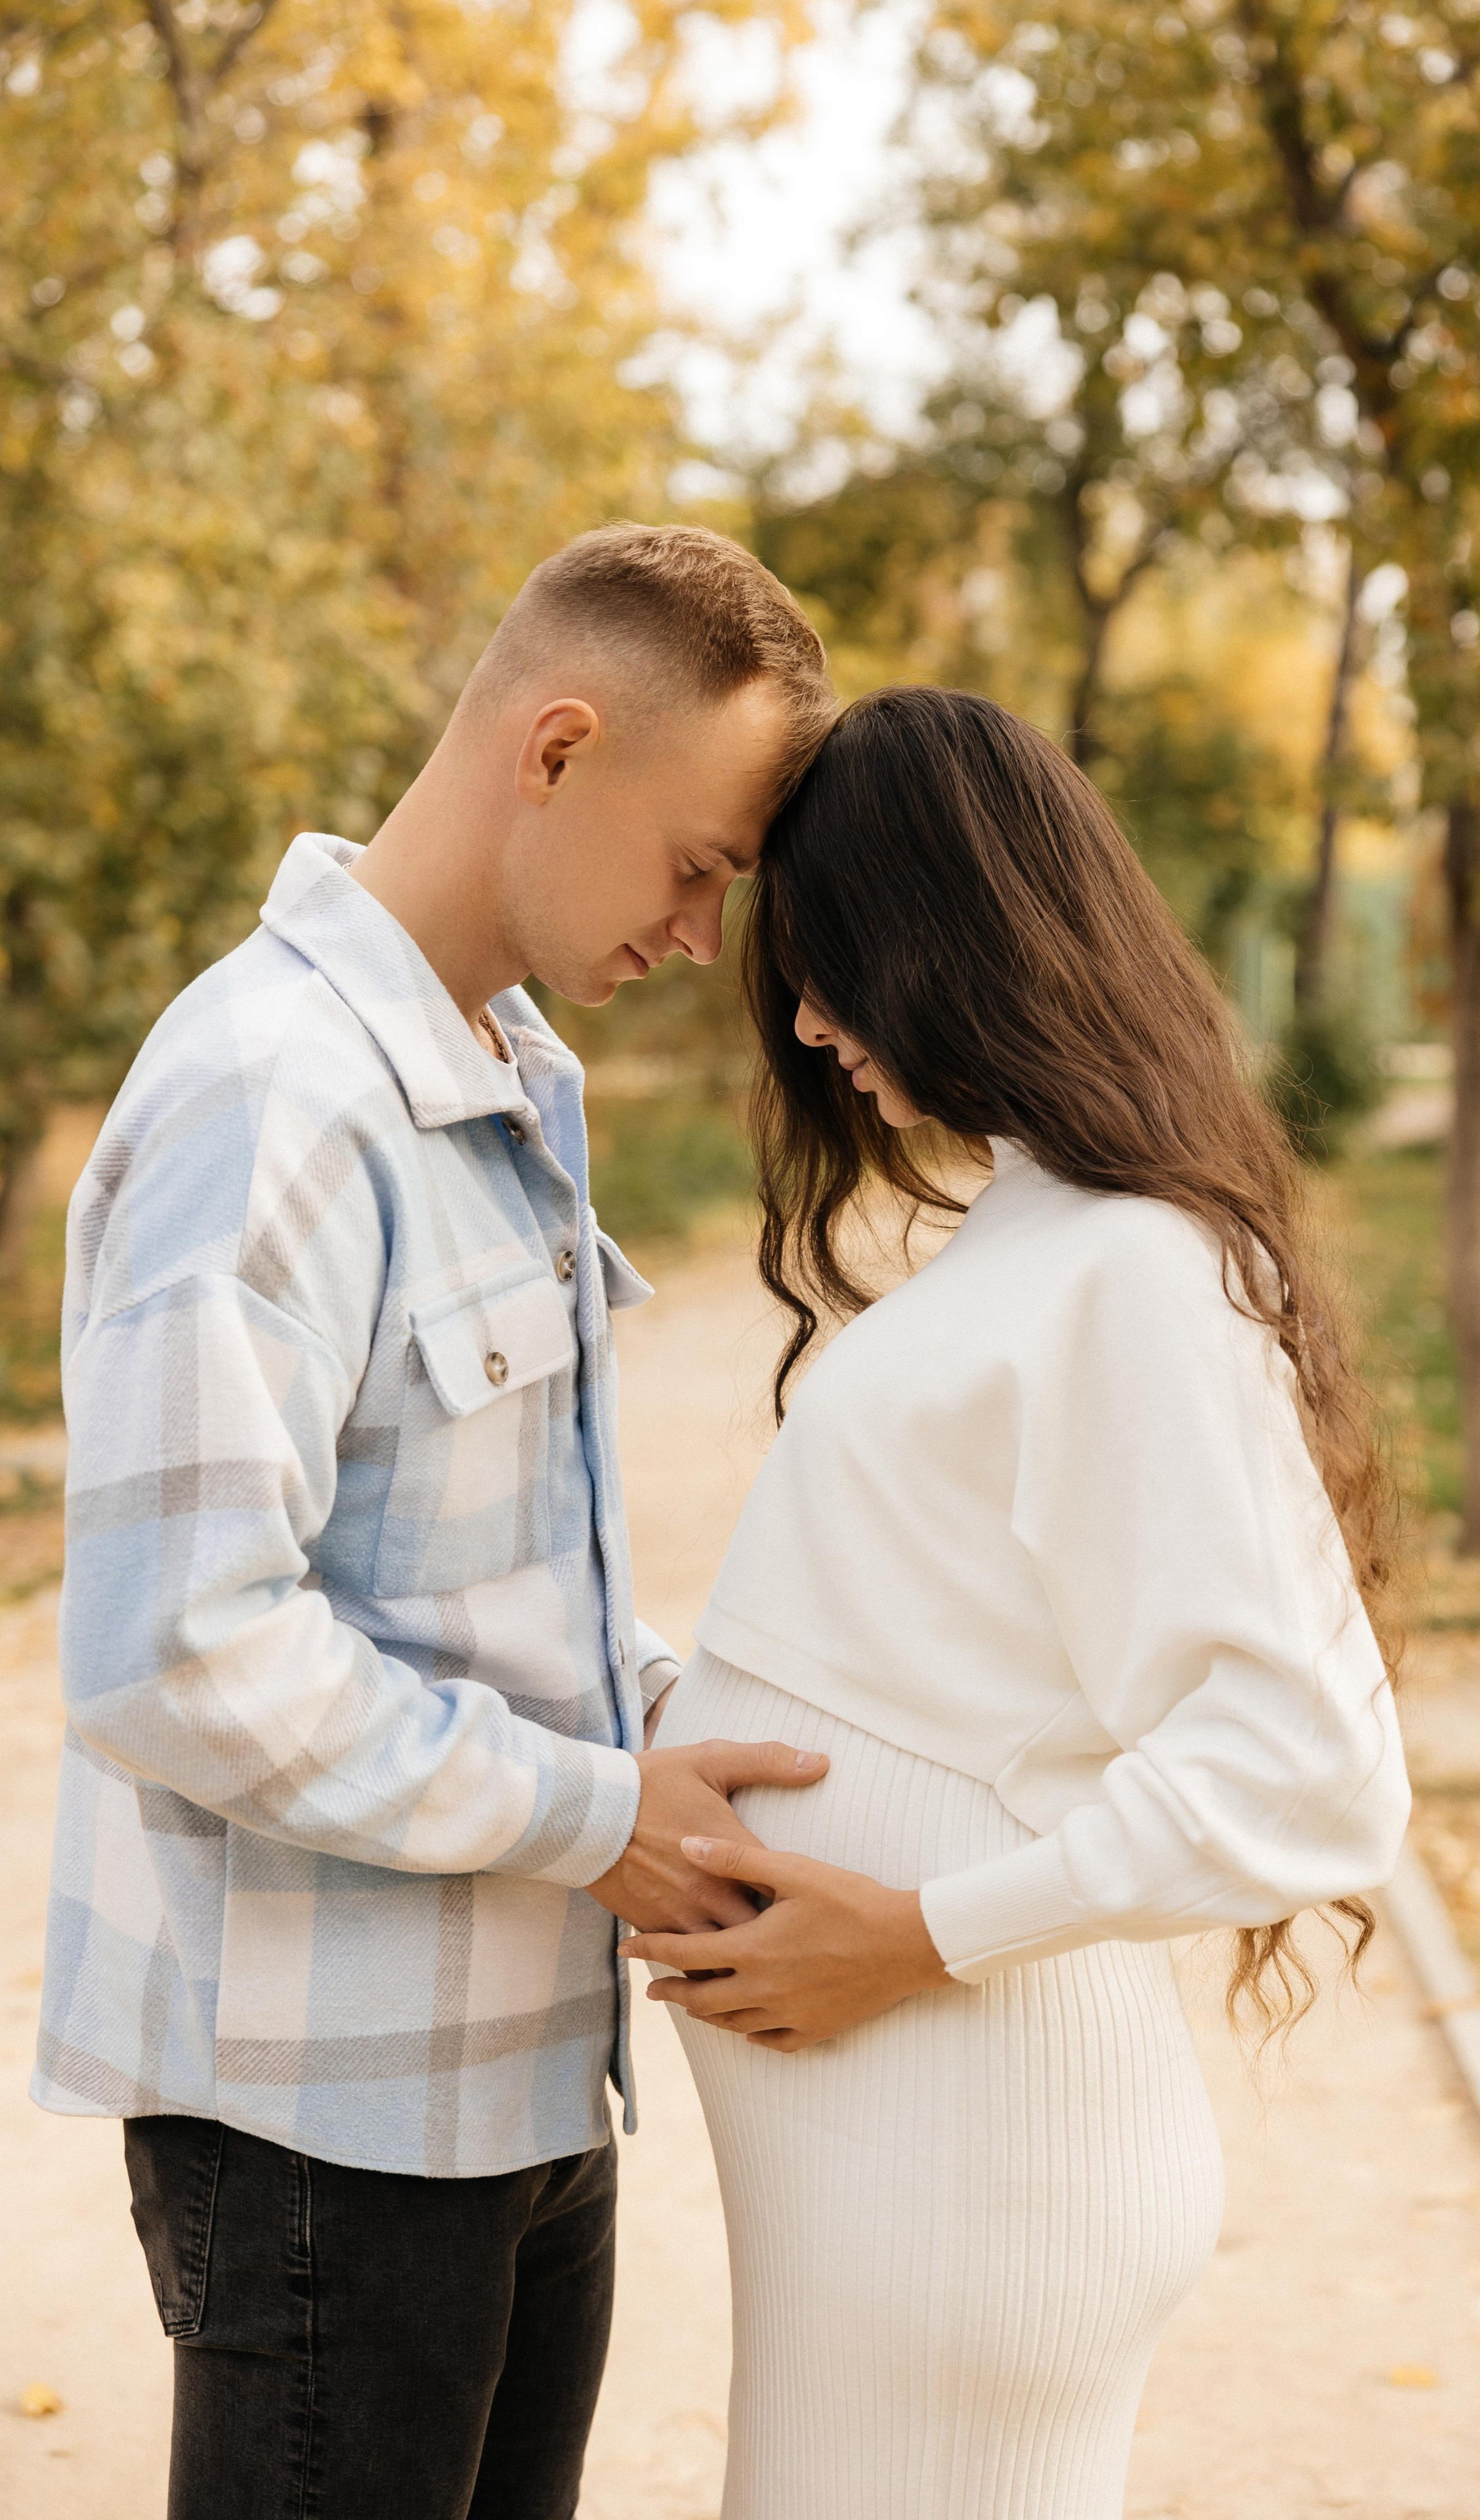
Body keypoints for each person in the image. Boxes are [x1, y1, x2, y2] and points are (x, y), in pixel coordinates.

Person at [33, 524, 837, 2520]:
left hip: (522, 2086)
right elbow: (179, 1647)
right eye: (699, 866)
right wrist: (599, 1818)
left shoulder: (508, 1078)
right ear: (558, 748)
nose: (704, 935)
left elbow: (490, 1586)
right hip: (326, 2140)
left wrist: (687, 1731)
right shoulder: (270, 1097)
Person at [624, 684, 1413, 2518]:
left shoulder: (1132, 1263)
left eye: (830, 968)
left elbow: (1314, 1768)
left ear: (951, 945)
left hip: (968, 2153)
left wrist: (922, 1932)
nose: (810, 1026)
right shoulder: (1046, 1234)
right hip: (909, 2169)